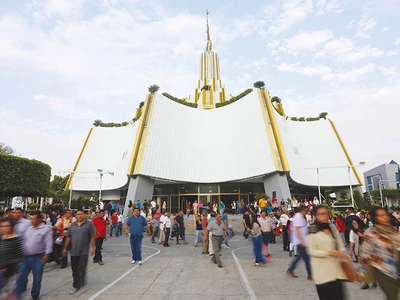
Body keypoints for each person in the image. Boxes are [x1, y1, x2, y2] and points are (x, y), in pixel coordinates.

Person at [309, 205, 350, 300]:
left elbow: (339, 244)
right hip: (322, 274)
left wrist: (343, 253)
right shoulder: (312, 230)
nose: (325, 216)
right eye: (321, 214)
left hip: (336, 272)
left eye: (326, 213)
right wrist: (329, 253)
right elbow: (312, 251)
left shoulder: (332, 227)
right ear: (316, 215)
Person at [360, 207, 400, 299]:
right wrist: (361, 272)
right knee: (393, 296)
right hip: (384, 271)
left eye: (385, 215)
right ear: (375, 218)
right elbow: (365, 254)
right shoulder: (371, 233)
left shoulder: (393, 231)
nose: (385, 217)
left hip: (397, 269)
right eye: (381, 215)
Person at [16, 211, 53, 300]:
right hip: (26, 257)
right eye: (31, 219)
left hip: (38, 257)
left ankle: (35, 294)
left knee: (37, 277)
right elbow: (24, 241)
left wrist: (47, 255)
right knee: (21, 276)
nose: (32, 221)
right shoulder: (28, 228)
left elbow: (48, 242)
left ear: (39, 220)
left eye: (34, 219)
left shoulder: (45, 229)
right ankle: (17, 294)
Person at [63, 209, 96, 294]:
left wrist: (93, 247)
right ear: (75, 216)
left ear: (84, 215)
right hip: (73, 251)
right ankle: (77, 284)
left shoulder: (89, 224)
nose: (80, 216)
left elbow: (92, 236)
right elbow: (68, 237)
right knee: (74, 270)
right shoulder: (73, 225)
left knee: (81, 268)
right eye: (78, 214)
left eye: (81, 214)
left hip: (84, 252)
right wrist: (65, 248)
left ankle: (79, 285)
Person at [0, 219, 24, 298]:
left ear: (12, 227)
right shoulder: (2, 238)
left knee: (9, 295)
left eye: (6, 226)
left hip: (9, 273)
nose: (3, 228)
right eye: (2, 226)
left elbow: (20, 257)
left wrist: (6, 267)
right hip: (1, 272)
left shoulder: (16, 240)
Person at [287, 206, 312, 280]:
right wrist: (301, 241)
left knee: (302, 257)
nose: (307, 212)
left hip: (302, 240)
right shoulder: (298, 217)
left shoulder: (300, 216)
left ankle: (291, 269)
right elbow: (298, 229)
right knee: (306, 258)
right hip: (301, 241)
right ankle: (310, 274)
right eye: (306, 210)